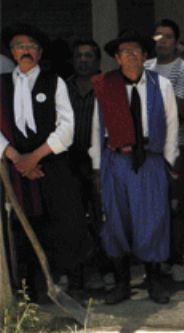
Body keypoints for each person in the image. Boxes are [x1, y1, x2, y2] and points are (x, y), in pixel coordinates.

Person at [0, 23, 92, 299]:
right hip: (16, 167)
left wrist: (35, 157)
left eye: (31, 46)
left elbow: (66, 127)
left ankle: (72, 280)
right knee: (25, 225)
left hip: (52, 162)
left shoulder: (55, 82)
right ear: (12, 53)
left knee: (64, 221)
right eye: (19, 46)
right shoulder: (1, 85)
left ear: (39, 53)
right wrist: (16, 157)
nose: (25, 51)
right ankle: (32, 287)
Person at [89, 30, 179, 304]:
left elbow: (172, 123)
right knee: (117, 221)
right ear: (117, 59)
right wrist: (97, 167)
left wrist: (168, 161)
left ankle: (154, 281)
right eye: (125, 53)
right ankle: (122, 283)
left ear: (145, 57)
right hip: (116, 160)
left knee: (152, 220)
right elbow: (96, 127)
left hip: (150, 158)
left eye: (136, 52)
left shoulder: (160, 84)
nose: (131, 57)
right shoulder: (106, 86)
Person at [145, 18, 184, 283]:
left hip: (177, 145)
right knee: (153, 205)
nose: (162, 41)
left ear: (176, 42)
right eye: (158, 36)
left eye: (167, 36)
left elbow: (173, 106)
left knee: (175, 205)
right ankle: (156, 259)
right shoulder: (144, 67)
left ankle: (176, 259)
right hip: (149, 148)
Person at [66, 38, 104, 291]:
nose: (83, 60)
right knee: (73, 219)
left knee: (102, 218)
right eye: (79, 56)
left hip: (100, 163)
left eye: (88, 56)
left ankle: (104, 269)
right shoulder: (62, 87)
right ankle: (75, 273)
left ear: (97, 61)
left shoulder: (106, 85)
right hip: (69, 163)